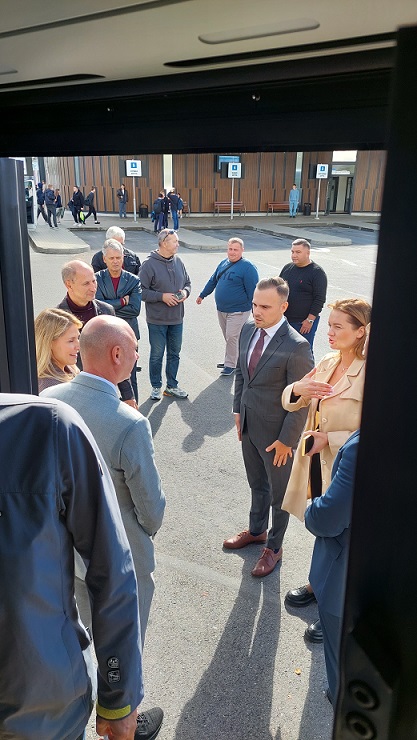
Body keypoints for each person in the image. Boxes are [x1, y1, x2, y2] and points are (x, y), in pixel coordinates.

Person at [41, 315, 166, 740]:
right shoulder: (129, 423)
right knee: (124, 645)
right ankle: (122, 720)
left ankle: (86, 704)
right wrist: (146, 529)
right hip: (120, 556)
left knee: (81, 635)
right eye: (135, 349)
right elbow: (151, 508)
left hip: (67, 549)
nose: (137, 356)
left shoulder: (50, 398)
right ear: (116, 354)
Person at [0, 392, 143, 740]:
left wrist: (119, 696)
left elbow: (110, 572)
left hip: (40, 714)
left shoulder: (47, 427)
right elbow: (112, 570)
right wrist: (119, 699)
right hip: (42, 710)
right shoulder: (46, 425)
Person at [282, 298, 371, 643]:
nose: (329, 332)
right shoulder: (328, 361)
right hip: (318, 467)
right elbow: (293, 401)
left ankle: (337, 610)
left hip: (347, 471)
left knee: (346, 541)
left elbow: (379, 434)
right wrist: (297, 388)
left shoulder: (371, 373)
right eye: (329, 325)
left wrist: (330, 438)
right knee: (324, 532)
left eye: (338, 327)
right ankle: (318, 585)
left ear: (360, 332)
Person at [223, 276, 314, 577]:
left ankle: (274, 548)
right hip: (249, 425)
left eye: (265, 307)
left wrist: (287, 440)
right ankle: (257, 530)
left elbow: (301, 400)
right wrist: (238, 409)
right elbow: (241, 373)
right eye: (254, 305)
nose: (257, 312)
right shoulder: (249, 328)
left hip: (278, 436)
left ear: (283, 307)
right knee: (257, 484)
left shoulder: (297, 346)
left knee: (279, 494)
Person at [305, 429, 360, 704]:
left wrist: (312, 509)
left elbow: (329, 517)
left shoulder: (365, 448)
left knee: (342, 656)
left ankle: (342, 699)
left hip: (346, 578)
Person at [58, 259, 136, 406]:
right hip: (73, 396)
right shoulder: (58, 319)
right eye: (86, 283)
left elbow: (119, 354)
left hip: (104, 393)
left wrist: (128, 396)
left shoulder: (106, 311)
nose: (93, 288)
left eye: (94, 281)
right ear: (69, 285)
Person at [139, 228, 191, 401]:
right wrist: (162, 297)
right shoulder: (148, 264)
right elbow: (140, 291)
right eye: (175, 241)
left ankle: (172, 386)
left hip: (177, 319)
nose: (178, 244)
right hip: (157, 320)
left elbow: (188, 283)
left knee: (174, 354)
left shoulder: (179, 261)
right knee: (157, 355)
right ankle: (156, 387)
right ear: (163, 243)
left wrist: (185, 292)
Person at [196, 237, 259, 375]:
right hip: (222, 309)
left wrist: (255, 309)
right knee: (229, 336)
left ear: (242, 250)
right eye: (230, 249)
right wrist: (202, 295)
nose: (232, 252)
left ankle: (231, 364)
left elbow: (253, 291)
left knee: (232, 337)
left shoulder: (248, 267)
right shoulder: (223, 263)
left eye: (236, 249)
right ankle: (235, 360)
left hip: (238, 310)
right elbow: (212, 280)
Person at [95, 239, 142, 402]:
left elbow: (135, 309)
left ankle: (134, 408)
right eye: (112, 258)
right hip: (104, 335)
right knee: (104, 377)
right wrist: (122, 301)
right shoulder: (97, 279)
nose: (115, 261)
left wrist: (108, 305)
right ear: (104, 259)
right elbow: (97, 306)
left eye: (118, 258)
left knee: (130, 376)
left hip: (128, 334)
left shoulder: (133, 280)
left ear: (123, 258)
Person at [279, 238, 328, 350]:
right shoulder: (287, 268)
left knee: (303, 352)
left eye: (298, 252)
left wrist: (309, 320)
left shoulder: (317, 272)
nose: (294, 255)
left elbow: (319, 299)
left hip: (303, 323)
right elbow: (279, 289)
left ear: (308, 253)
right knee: (283, 351)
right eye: (292, 252)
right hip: (285, 320)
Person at [35, 308, 82, 392]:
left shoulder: (71, 370)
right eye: (71, 340)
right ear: (49, 343)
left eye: (78, 338)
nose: (78, 346)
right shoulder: (49, 386)